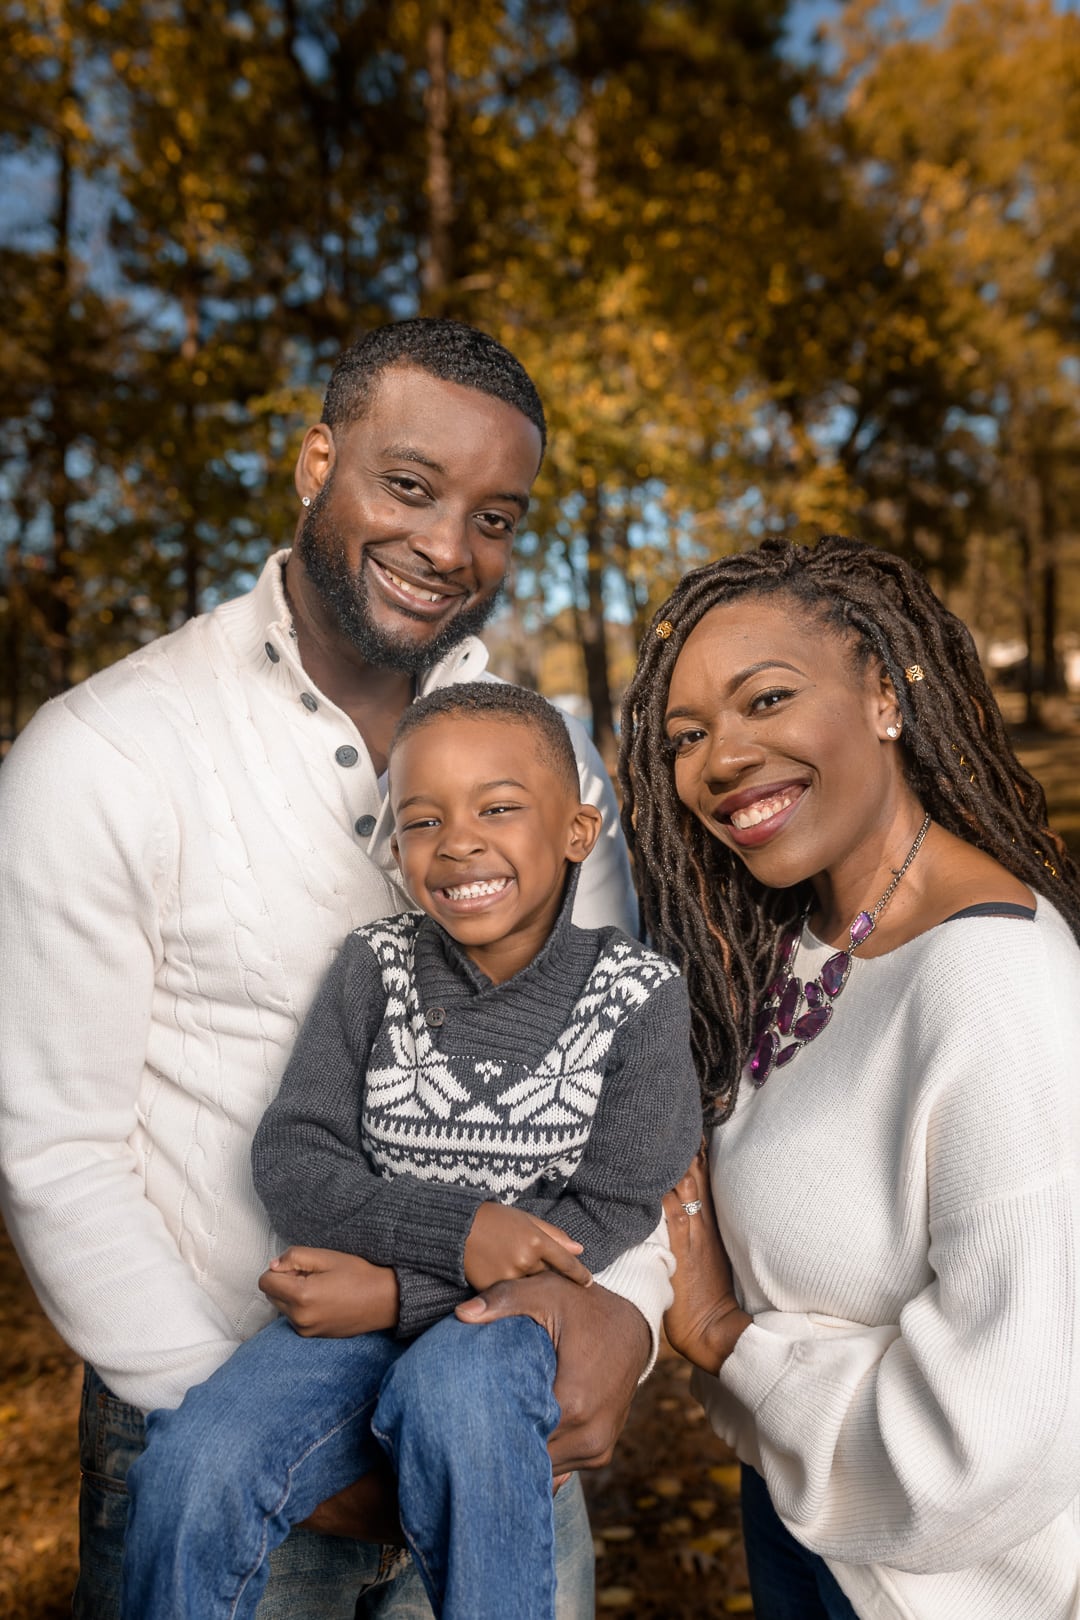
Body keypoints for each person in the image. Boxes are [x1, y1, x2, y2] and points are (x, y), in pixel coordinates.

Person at [0, 318, 676, 1620]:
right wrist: (242, 1448)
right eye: (411, 486)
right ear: (318, 462)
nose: (447, 547)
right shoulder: (102, 757)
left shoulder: (556, 767)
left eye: (495, 515)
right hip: (210, 1426)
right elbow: (57, 1152)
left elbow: (613, 1075)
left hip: (495, 1407)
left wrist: (626, 1324)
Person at [119, 680, 702, 1620]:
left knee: (461, 1401)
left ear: (577, 831)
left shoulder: (638, 995)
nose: (458, 840)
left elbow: (614, 1207)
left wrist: (403, 1293)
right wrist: (457, 1228)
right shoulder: (375, 966)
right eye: (423, 820)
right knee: (195, 1465)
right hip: (345, 1333)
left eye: (499, 808)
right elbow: (295, 1157)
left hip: (500, 1332)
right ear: (398, 850)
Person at [617, 534, 1080, 1620]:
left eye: (766, 698)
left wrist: (732, 1344)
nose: (721, 759)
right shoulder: (800, 942)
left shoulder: (996, 982)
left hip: (953, 1592)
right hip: (807, 1530)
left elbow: (997, 1433)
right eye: (687, 735)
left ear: (883, 690)